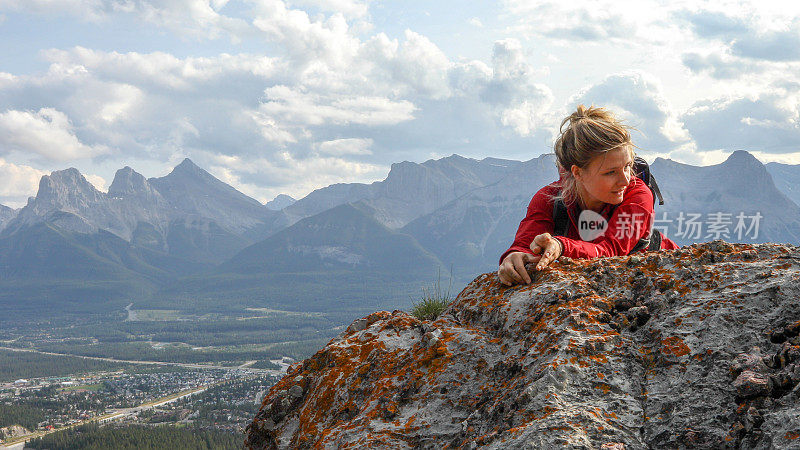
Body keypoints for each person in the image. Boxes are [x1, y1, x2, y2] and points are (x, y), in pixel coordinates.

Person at [498, 105, 679, 286]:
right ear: (577, 172)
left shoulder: (638, 194)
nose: (625, 180)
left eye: (627, 167)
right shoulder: (548, 198)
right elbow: (524, 245)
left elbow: (611, 250)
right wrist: (514, 258)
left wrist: (561, 246)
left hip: (669, 274)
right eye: (610, 172)